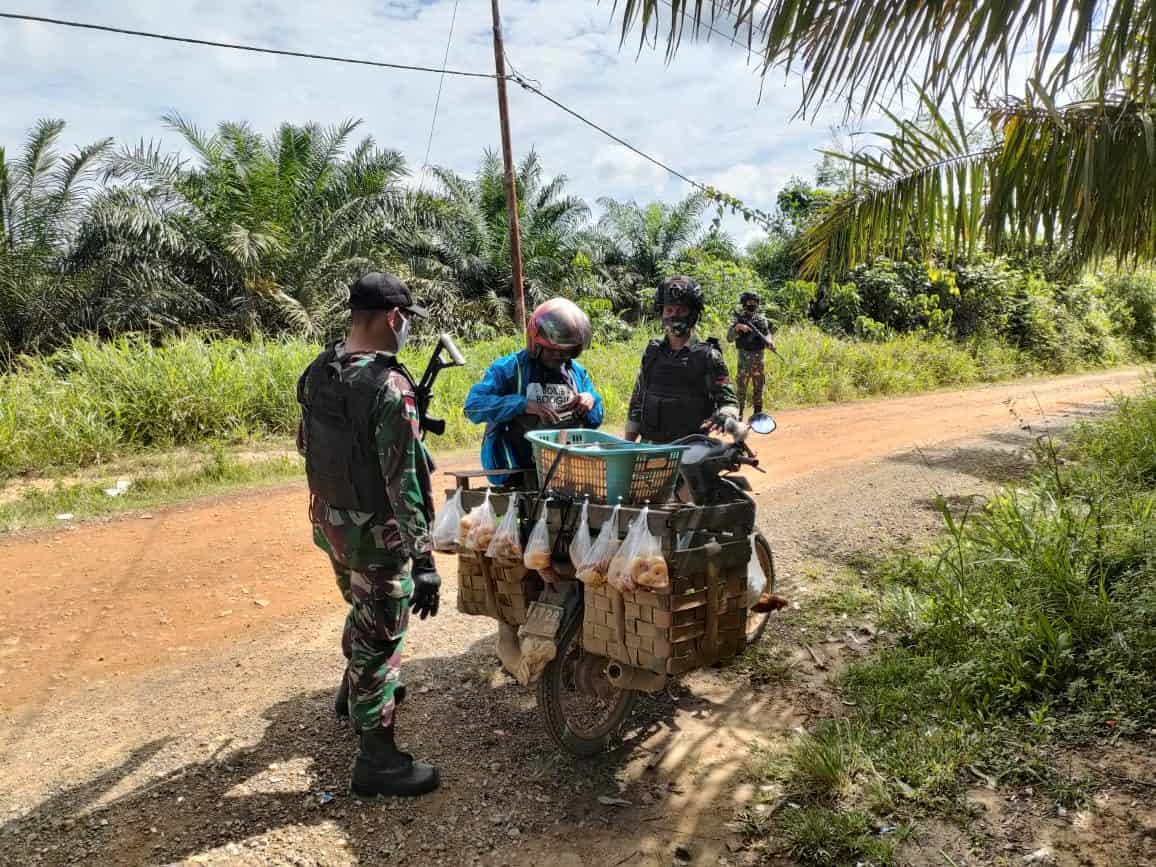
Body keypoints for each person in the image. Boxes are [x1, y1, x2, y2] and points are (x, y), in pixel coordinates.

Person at [296, 271, 442, 798]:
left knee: (362, 609)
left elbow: (305, 445)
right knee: (382, 636)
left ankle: (349, 693)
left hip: (332, 522)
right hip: (379, 538)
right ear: (395, 318)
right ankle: (377, 759)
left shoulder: (319, 370)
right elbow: (403, 481)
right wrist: (423, 560)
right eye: (407, 324)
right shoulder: (389, 386)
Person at [464, 298, 603, 485]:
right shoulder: (509, 369)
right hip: (516, 468)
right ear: (535, 344)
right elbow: (473, 407)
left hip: (567, 470)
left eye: (565, 352)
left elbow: (595, 421)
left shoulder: (576, 373)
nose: (559, 356)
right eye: (552, 350)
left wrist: (590, 401)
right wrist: (523, 405)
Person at [624, 276, 740, 443]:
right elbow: (637, 403)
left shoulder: (708, 356)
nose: (674, 316)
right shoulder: (652, 354)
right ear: (662, 313)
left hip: (690, 452)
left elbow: (729, 402)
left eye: (681, 310)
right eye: (669, 310)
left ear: (693, 313)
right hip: (650, 449)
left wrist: (726, 415)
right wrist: (628, 446)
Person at [727, 291, 776, 420]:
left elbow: (767, 334)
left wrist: (770, 342)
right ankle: (739, 415)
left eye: (754, 303)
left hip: (758, 361)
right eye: (749, 302)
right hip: (743, 361)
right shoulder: (737, 320)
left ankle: (758, 415)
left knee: (758, 388)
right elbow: (729, 338)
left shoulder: (761, 320)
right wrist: (737, 328)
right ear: (744, 303)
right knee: (741, 389)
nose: (752, 305)